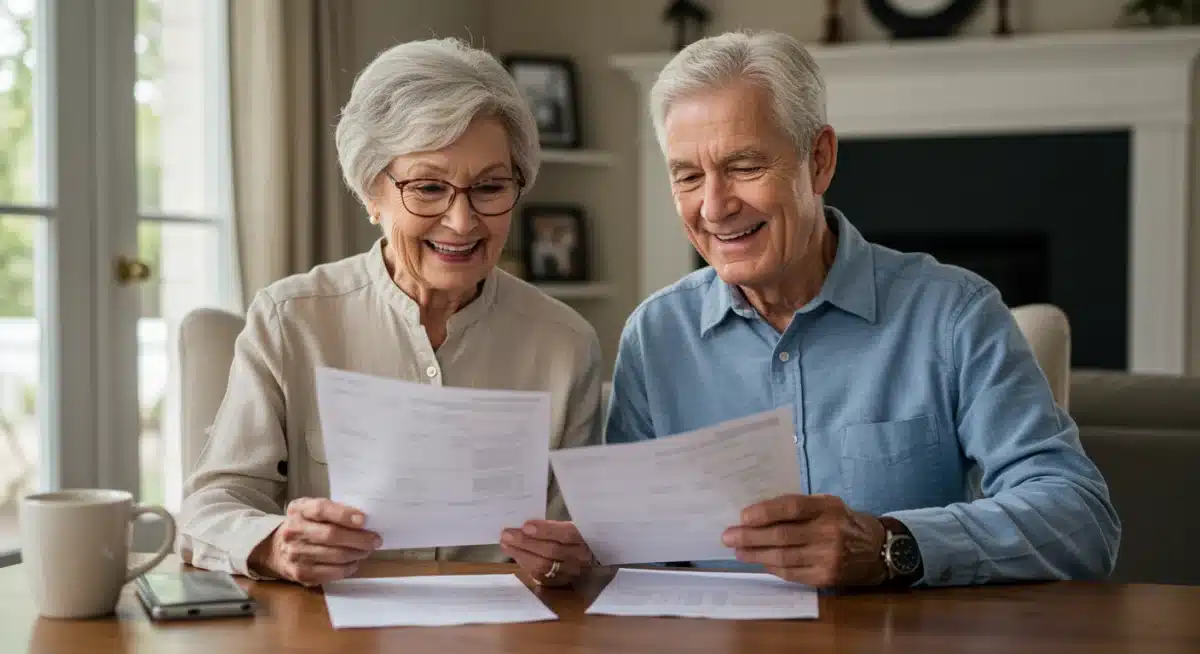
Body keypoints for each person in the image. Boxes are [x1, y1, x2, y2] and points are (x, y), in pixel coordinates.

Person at [603, 30, 1121, 588]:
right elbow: (630, 546)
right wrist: (580, 551)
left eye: (745, 167)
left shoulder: (954, 314)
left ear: (819, 160)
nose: (714, 206)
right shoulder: (655, 335)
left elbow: (1081, 520)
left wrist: (889, 545)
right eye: (688, 176)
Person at [178, 38, 599, 587]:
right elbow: (208, 508)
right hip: (326, 633)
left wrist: (573, 555)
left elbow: (579, 540)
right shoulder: (291, 320)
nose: (462, 221)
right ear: (371, 193)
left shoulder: (566, 342)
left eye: (490, 187)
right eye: (428, 187)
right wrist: (275, 545)